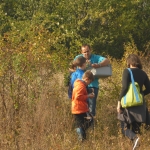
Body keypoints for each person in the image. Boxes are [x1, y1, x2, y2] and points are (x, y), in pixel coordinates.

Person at [117, 54, 150, 150]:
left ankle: (135, 138)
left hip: (128, 103)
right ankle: (135, 145)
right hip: (140, 105)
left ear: (129, 62)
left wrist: (119, 102)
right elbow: (149, 88)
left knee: (124, 128)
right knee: (136, 128)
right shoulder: (143, 73)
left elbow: (124, 88)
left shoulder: (127, 71)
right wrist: (140, 94)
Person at [74, 44, 110, 117]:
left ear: (90, 50)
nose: (86, 53)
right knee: (80, 108)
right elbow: (73, 68)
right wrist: (83, 66)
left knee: (91, 109)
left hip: (92, 86)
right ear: (81, 52)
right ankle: (82, 126)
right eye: (84, 52)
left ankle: (91, 126)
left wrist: (98, 65)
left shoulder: (95, 57)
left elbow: (107, 61)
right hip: (80, 86)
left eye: (88, 51)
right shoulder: (78, 58)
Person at [72, 70, 95, 141]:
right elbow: (78, 97)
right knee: (89, 120)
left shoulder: (80, 85)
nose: (89, 84)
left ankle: (82, 137)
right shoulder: (81, 86)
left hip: (79, 108)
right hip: (79, 108)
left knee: (83, 122)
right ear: (87, 79)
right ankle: (81, 133)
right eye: (90, 82)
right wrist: (88, 96)